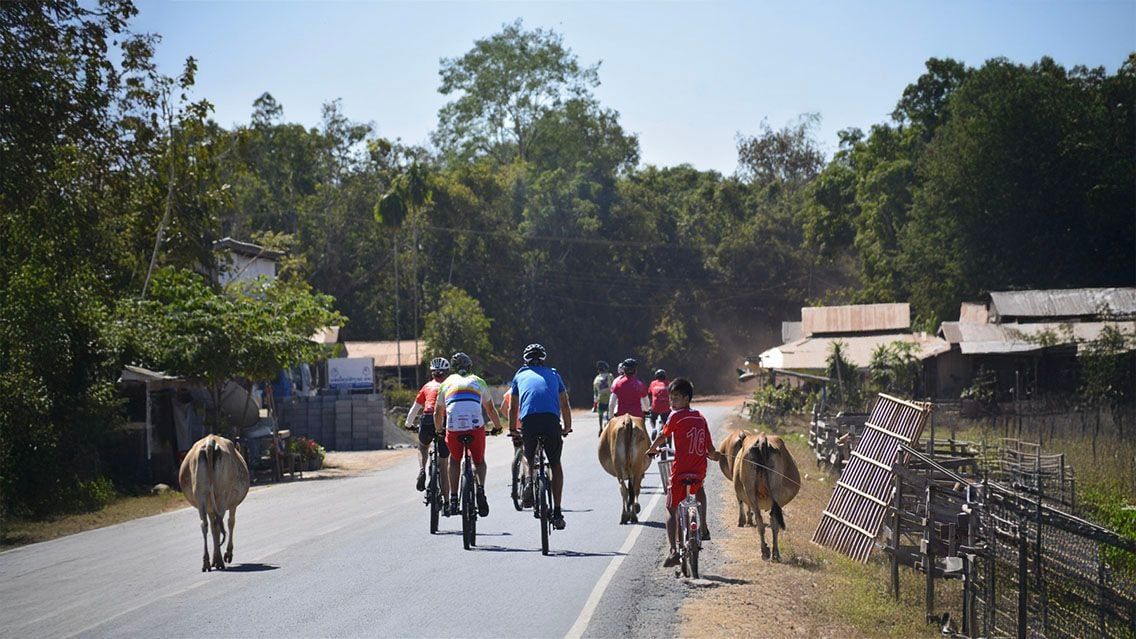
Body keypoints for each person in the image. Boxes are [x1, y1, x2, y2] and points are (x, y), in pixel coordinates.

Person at [646, 377, 721, 568]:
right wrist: (714, 455)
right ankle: (703, 526)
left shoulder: (675, 416)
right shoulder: (700, 417)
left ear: (687, 399)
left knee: (671, 508)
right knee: (699, 489)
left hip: (680, 472)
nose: (672, 402)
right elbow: (710, 448)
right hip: (698, 470)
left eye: (676, 398)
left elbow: (663, 436)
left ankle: (673, 551)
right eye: (671, 398)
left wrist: (652, 449)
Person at [508, 343, 572, 530]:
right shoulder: (553, 374)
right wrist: (567, 427)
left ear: (525, 361)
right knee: (555, 464)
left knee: (529, 456)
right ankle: (558, 511)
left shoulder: (519, 375)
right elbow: (565, 403)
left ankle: (529, 481)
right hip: (551, 421)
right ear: (543, 360)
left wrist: (512, 429)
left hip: (529, 421)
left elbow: (513, 407)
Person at [435, 352, 503, 517]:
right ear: (470, 367)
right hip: (475, 428)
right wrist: (498, 427)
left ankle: (452, 498)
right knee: (479, 462)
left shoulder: (445, 383)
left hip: (454, 428)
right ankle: (480, 490)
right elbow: (490, 409)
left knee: (454, 460)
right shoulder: (479, 381)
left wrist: (439, 430)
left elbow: (438, 412)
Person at [405, 357, 450, 495]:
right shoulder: (450, 386)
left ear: (432, 374)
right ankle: (446, 498)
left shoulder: (426, 387)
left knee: (423, 446)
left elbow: (414, 409)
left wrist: (408, 424)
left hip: (427, 419)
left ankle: (422, 469)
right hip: (443, 420)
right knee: (443, 462)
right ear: (446, 373)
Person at [647, 369, 671, 439]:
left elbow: (649, 394)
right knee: (667, 423)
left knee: (652, 419)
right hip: (666, 407)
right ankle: (668, 441)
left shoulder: (653, 383)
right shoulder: (668, 383)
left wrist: (650, 405)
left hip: (655, 407)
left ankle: (654, 428)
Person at [592, 361, 614, 435]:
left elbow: (595, 392)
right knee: (609, 414)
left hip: (600, 399)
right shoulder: (610, 376)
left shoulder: (596, 379)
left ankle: (600, 428)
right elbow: (614, 387)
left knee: (600, 414)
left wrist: (595, 403)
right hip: (609, 398)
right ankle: (608, 427)